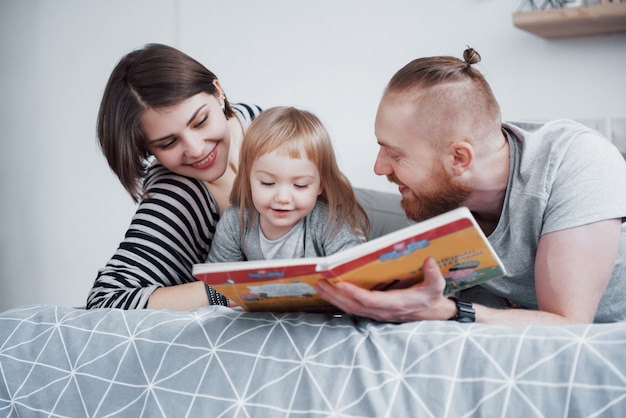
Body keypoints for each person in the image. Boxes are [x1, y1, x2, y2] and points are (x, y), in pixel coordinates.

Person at [315, 47, 626, 324]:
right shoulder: (442, 195)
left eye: (395, 154)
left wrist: (449, 311)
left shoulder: (577, 161)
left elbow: (569, 324)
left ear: (459, 158)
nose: (379, 167)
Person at [87, 43, 408, 311]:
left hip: (341, 213)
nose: (197, 149)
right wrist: (237, 289)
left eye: (200, 121)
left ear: (218, 92)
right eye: (168, 143)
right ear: (150, 149)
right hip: (313, 265)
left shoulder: (255, 121)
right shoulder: (178, 198)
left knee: (448, 219)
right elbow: (105, 302)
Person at [207, 106, 369, 265]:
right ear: (248, 180)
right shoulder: (235, 223)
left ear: (320, 185)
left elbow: (355, 272)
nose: (283, 198)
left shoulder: (328, 222)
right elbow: (211, 282)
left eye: (300, 185)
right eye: (267, 183)